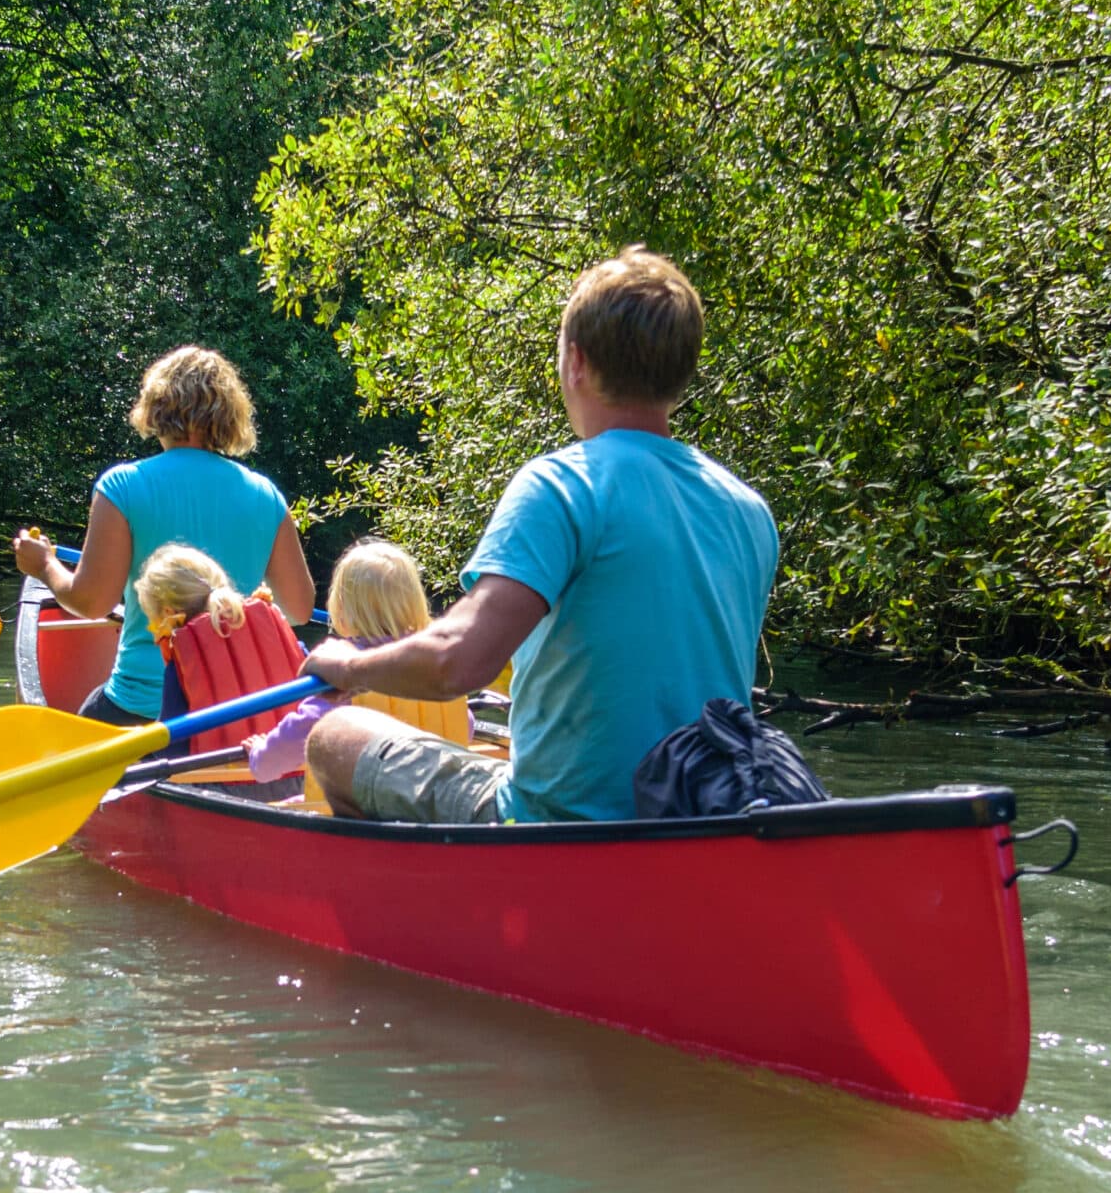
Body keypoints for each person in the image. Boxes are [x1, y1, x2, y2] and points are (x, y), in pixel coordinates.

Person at [301, 247, 778, 824]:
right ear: (681, 375)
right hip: (700, 819)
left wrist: (346, 664)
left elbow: (457, 662)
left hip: (553, 823)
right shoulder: (747, 511)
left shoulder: (562, 485)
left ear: (575, 362)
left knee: (335, 735)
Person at [14, 345, 315, 723]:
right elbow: (299, 609)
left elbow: (91, 603)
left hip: (141, 706)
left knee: (83, 720)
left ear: (156, 408)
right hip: (236, 711)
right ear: (229, 417)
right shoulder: (265, 495)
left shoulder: (123, 486)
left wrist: (44, 566)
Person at [243, 539, 433, 783]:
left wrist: (260, 754)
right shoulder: (434, 664)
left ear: (342, 608)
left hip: (358, 802)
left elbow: (293, 741)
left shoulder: (343, 670)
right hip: (425, 797)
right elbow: (464, 725)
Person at [133, 542, 249, 719]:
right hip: (277, 731)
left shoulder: (182, 668)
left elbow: (170, 733)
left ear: (168, 614)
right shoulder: (256, 630)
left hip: (221, 739)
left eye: (153, 620)